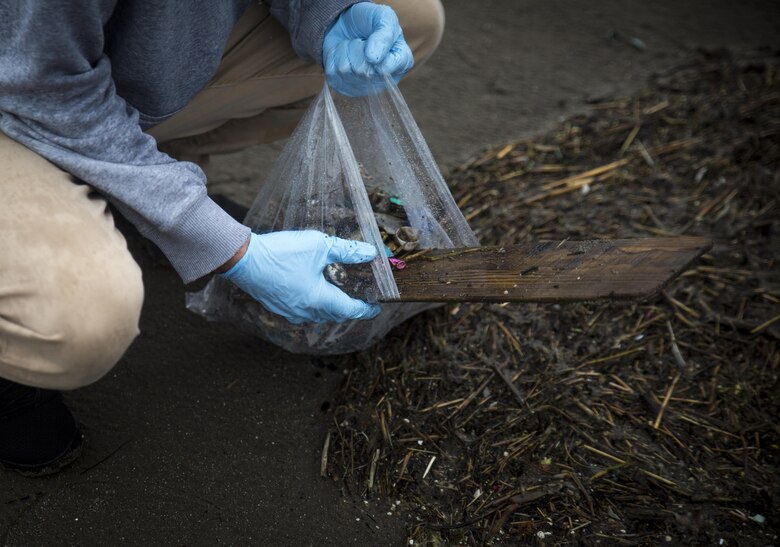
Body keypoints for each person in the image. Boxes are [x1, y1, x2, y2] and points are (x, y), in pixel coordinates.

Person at [0, 0, 445, 471]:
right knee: (77, 324)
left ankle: (148, 179)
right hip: (20, 93)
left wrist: (324, 12)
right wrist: (227, 245)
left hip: (97, 65)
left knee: (411, 22)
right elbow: (38, 88)